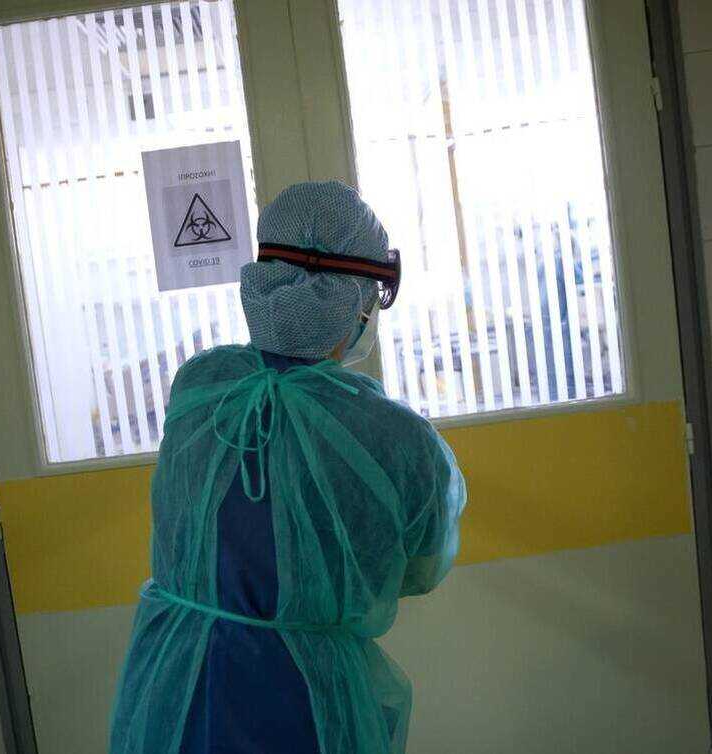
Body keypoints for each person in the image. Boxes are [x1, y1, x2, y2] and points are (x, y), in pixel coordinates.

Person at [109, 181, 467, 754]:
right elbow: (421, 568)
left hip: (176, 683)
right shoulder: (394, 439)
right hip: (302, 700)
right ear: (355, 302)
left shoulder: (201, 387)